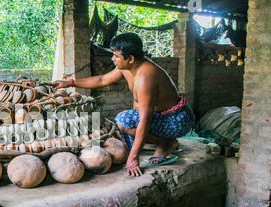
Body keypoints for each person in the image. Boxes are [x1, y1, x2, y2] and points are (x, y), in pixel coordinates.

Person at [53, 33, 195, 177]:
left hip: (177, 120)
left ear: (131, 58)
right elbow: (102, 80)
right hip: (160, 116)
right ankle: (162, 142)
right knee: (125, 124)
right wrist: (70, 82)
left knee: (124, 121)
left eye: (116, 56)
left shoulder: (145, 77)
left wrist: (133, 158)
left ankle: (165, 144)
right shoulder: (128, 67)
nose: (112, 59)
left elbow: (145, 120)